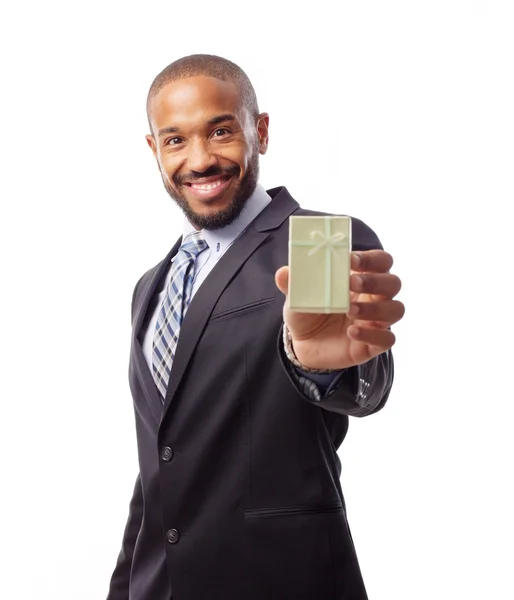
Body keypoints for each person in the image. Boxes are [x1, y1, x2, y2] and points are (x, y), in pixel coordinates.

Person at [106, 54, 405, 600]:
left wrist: (315, 361)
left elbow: (364, 381)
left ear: (259, 131)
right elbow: (157, 470)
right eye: (175, 140)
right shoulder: (150, 287)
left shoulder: (318, 243)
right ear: (154, 150)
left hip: (283, 581)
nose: (199, 160)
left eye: (221, 131)